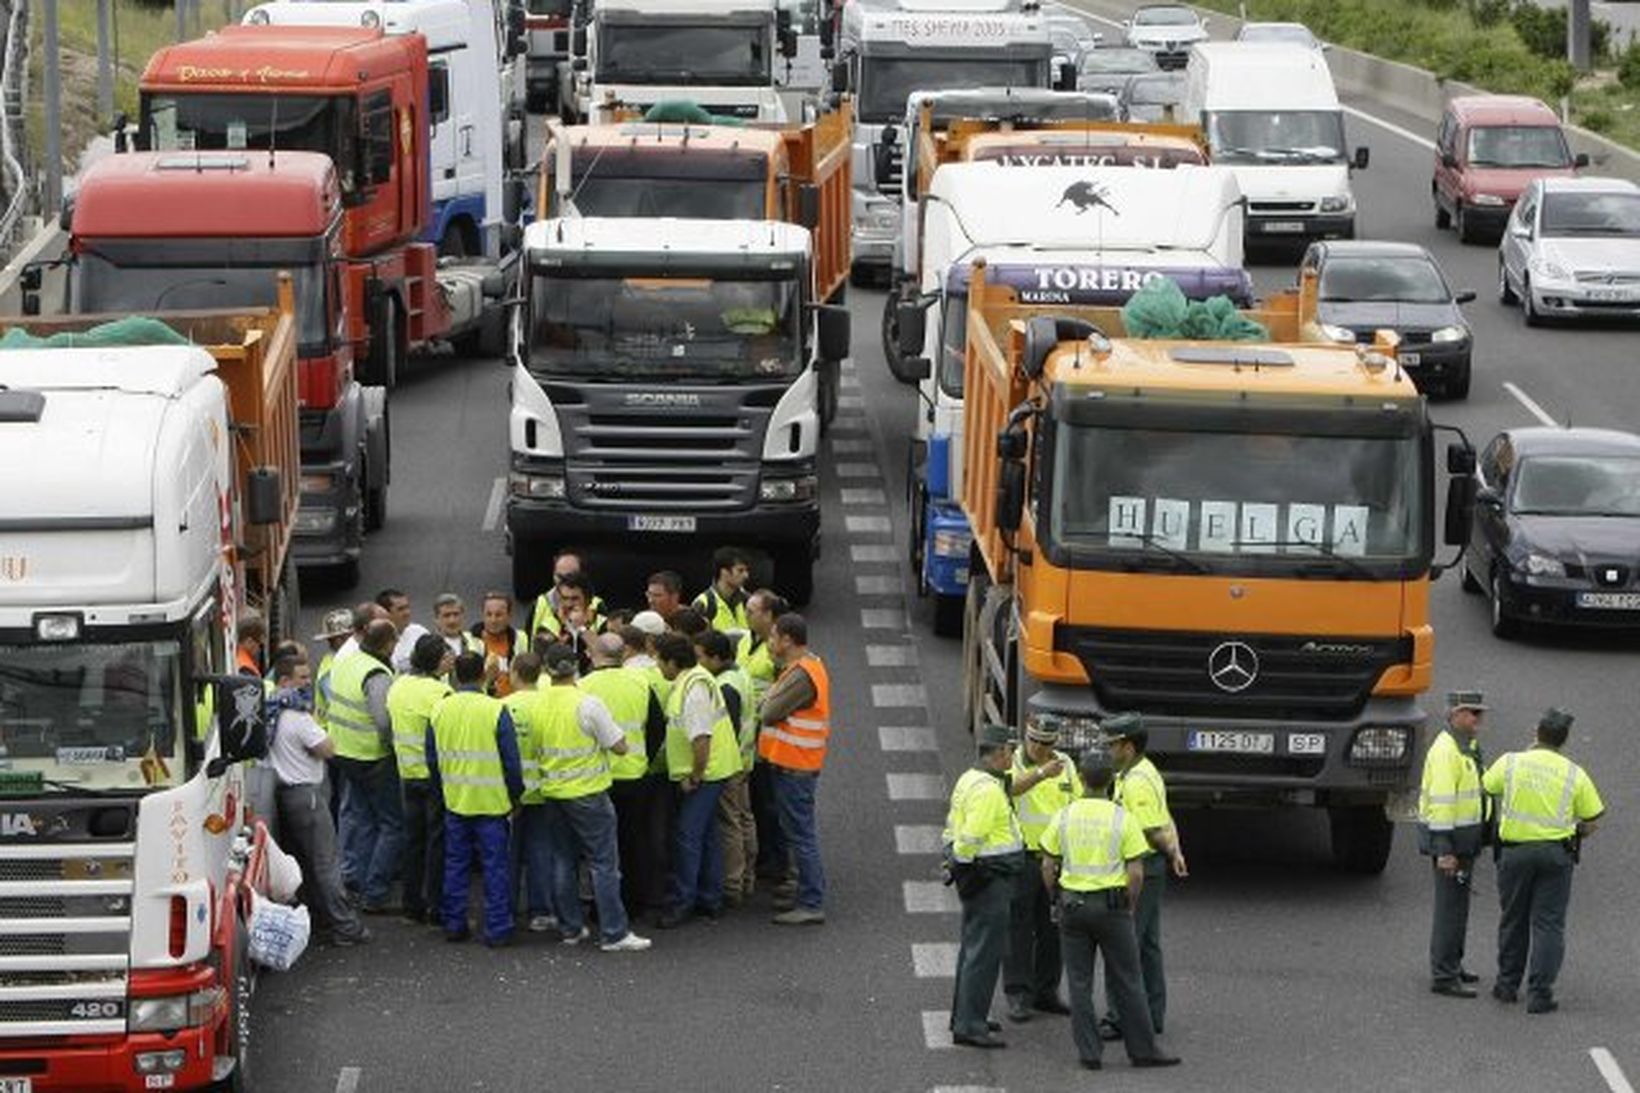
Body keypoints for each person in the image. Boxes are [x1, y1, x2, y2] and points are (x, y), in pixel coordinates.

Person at [1040, 750, 1181, 1071]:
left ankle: (1089, 1053)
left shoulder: (1064, 816)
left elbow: (1048, 864)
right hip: (1112, 907)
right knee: (1128, 979)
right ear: (1112, 781)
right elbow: (1135, 871)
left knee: (1078, 983)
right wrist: (1130, 904)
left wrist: (1055, 897)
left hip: (1073, 907)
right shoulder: (1123, 819)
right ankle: (1142, 1050)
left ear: (1079, 779)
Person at [528, 643, 652, 952]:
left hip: (553, 792)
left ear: (546, 670)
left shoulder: (537, 704)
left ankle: (571, 929)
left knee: (562, 861)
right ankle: (613, 932)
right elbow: (620, 746)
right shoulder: (588, 703)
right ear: (576, 668)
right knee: (604, 863)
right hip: (589, 793)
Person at [1482, 708, 1604, 1014]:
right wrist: (1575, 833)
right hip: (1555, 854)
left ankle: (1507, 986)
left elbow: (1487, 787)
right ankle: (1540, 994)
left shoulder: (1511, 762)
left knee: (1514, 919)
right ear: (1564, 740)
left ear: (1536, 732)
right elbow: (1592, 819)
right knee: (1548, 924)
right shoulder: (1574, 773)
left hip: (1515, 852)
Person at [264, 654, 370, 946]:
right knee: (326, 863)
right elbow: (327, 749)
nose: (308, 683)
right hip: (308, 795)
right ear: (285, 681)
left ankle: (319, 920)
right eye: (302, 677)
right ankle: (346, 927)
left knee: (306, 863)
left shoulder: (271, 712)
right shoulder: (298, 718)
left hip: (285, 795)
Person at [427, 652, 526, 947]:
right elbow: (511, 761)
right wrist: (515, 794)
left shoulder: (439, 710)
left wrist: (441, 792)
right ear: (483, 675)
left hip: (456, 801)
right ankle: (498, 929)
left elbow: (431, 760)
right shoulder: (495, 710)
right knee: (495, 868)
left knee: (455, 864)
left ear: (455, 676)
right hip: (492, 803)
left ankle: (454, 924)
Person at [1099, 713, 1187, 1041]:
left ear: (1128, 746)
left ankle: (1121, 1017)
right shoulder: (1144, 770)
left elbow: (1151, 829)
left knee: (1124, 946)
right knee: (1148, 945)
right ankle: (1152, 1014)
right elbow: (1165, 816)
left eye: (1112, 745)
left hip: (1140, 869)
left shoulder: (1135, 782)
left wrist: (1169, 849)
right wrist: (1175, 851)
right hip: (1153, 869)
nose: (1107, 751)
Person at [944, 723, 1026, 1048]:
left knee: (973, 950)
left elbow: (954, 831)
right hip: (990, 878)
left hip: (980, 877)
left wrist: (956, 863)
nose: (1013, 757)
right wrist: (965, 866)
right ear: (1000, 753)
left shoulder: (970, 778)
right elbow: (970, 839)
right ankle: (970, 1025)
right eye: (1011, 751)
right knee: (983, 953)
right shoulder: (989, 790)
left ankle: (967, 1014)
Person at [654, 632, 741, 928]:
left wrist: (695, 775)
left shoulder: (692, 690)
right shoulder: (695, 678)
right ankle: (710, 899)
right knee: (705, 836)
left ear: (672, 662)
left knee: (687, 836)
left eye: (659, 660)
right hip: (713, 769)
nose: (657, 666)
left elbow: (700, 738)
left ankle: (683, 902)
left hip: (707, 772)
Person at [582, 632, 669, 915]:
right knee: (635, 840)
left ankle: (603, 904)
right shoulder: (641, 683)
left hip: (598, 777)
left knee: (602, 847)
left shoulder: (584, 686)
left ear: (596, 656)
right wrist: (642, 754)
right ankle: (635, 901)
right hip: (635, 774)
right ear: (623, 655)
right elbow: (658, 727)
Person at [1004, 720, 1082, 1022]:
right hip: (1023, 859)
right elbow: (1008, 789)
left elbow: (1075, 802)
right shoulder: (1012, 760)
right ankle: (1018, 995)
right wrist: (1039, 774)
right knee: (1018, 929)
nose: (1038, 747)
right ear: (1026, 735)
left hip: (1057, 860)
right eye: (1034, 740)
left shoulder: (1066, 764)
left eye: (1046, 743)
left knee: (1053, 929)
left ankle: (1046, 992)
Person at [756, 613, 830, 925]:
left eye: (773, 637)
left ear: (787, 640)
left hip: (795, 765)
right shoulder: (803, 667)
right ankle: (805, 890)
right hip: (794, 763)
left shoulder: (802, 674)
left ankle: (811, 901)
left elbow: (769, 711)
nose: (770, 643)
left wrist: (765, 701)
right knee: (797, 831)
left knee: (801, 835)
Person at [328, 618, 404, 913]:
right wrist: (392, 745)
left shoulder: (348, 661)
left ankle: (355, 881)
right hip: (371, 756)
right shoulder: (377, 674)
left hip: (343, 751)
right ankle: (375, 891)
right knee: (392, 824)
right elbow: (383, 721)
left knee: (361, 818)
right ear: (387, 644)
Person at [1419, 691, 1489, 998]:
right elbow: (1443, 805)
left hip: (1464, 841)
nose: (1478, 719)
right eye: (1472, 712)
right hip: (1452, 843)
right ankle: (1444, 975)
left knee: (1458, 907)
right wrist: (1443, 849)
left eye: (1480, 713)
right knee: (1450, 909)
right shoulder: (1447, 751)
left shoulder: (1465, 747)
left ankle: (1452, 964)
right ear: (1454, 715)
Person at [387, 634, 454, 925]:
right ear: (434, 661)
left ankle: (411, 904)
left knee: (413, 842)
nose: (450, 659)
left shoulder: (398, 686)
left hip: (407, 773)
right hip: (434, 777)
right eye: (445, 655)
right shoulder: (439, 693)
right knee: (437, 844)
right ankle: (436, 905)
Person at [697, 630, 758, 906]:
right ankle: (747, 877)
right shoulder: (739, 674)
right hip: (745, 759)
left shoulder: (724, 687)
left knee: (730, 822)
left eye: (700, 657)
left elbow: (726, 730)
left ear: (717, 658)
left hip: (730, 764)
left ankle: (733, 883)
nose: (697, 662)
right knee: (744, 819)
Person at [502, 653, 562, 934]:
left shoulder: (502, 707)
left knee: (509, 853)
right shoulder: (549, 704)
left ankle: (507, 908)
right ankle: (542, 910)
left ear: (514, 672)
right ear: (540, 674)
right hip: (544, 789)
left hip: (510, 793)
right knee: (541, 850)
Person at [738, 590, 788, 880]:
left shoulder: (777, 650)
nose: (747, 615)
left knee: (770, 802)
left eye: (753, 611)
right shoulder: (746, 639)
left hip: (768, 736)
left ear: (769, 616)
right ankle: (764, 854)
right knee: (756, 799)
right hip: (748, 734)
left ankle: (779, 861)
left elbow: (784, 691)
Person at [528, 547, 609, 641]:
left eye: (569, 576)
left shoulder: (597, 606)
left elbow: (606, 650)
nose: (563, 582)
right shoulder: (540, 604)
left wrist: (581, 629)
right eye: (559, 576)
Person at [470, 592, 528, 698]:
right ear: (482, 615)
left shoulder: (521, 638)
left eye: (499, 615)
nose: (493, 620)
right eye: (489, 614)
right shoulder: (470, 641)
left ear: (509, 616)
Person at [691, 547, 752, 634]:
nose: (746, 576)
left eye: (747, 570)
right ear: (724, 572)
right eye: (740, 570)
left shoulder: (750, 601)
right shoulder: (703, 604)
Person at [381, 589, 430, 673]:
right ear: (385, 613)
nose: (407, 612)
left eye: (407, 607)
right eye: (401, 609)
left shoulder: (420, 632)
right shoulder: (378, 640)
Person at [433, 593, 483, 659]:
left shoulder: (477, 643)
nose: (452, 621)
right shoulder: (428, 646)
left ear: (463, 616)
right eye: (446, 615)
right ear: (436, 619)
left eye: (456, 614)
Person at [235, 611, 266, 677]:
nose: (259, 649)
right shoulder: (246, 669)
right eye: (259, 644)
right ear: (250, 642)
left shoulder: (235, 656)